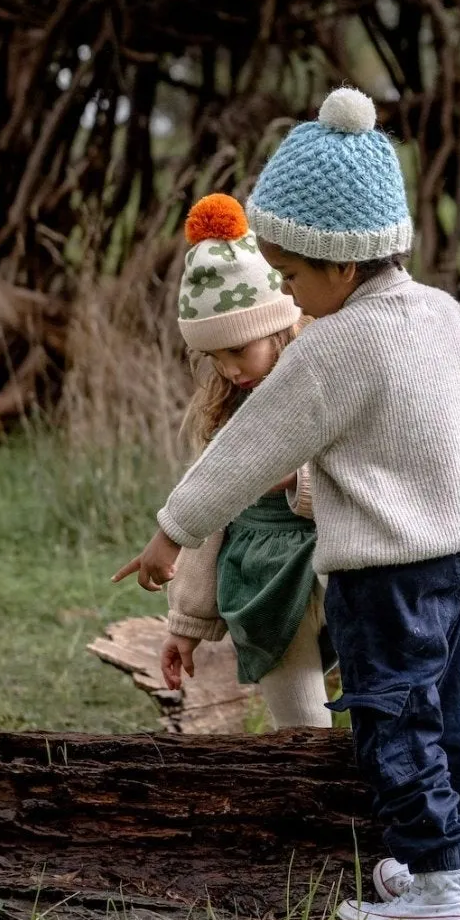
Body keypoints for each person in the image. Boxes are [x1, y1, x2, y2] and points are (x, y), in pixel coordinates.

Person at [117, 87, 460, 920]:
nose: (292, 294)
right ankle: (456, 867)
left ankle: (440, 885)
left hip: (381, 571)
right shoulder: (449, 318)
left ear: (340, 265)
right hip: (449, 558)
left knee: (391, 718)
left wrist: (172, 527)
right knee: (445, 714)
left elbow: (247, 446)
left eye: (293, 276)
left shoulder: (336, 345)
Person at [158, 193, 332, 731]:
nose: (230, 370)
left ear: (282, 325)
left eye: (240, 350)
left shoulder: (329, 382)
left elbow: (364, 476)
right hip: (259, 578)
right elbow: (208, 520)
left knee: (382, 710)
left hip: (337, 566)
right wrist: (186, 621)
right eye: (215, 358)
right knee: (302, 727)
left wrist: (295, 479)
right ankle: (316, 808)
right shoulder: (230, 414)